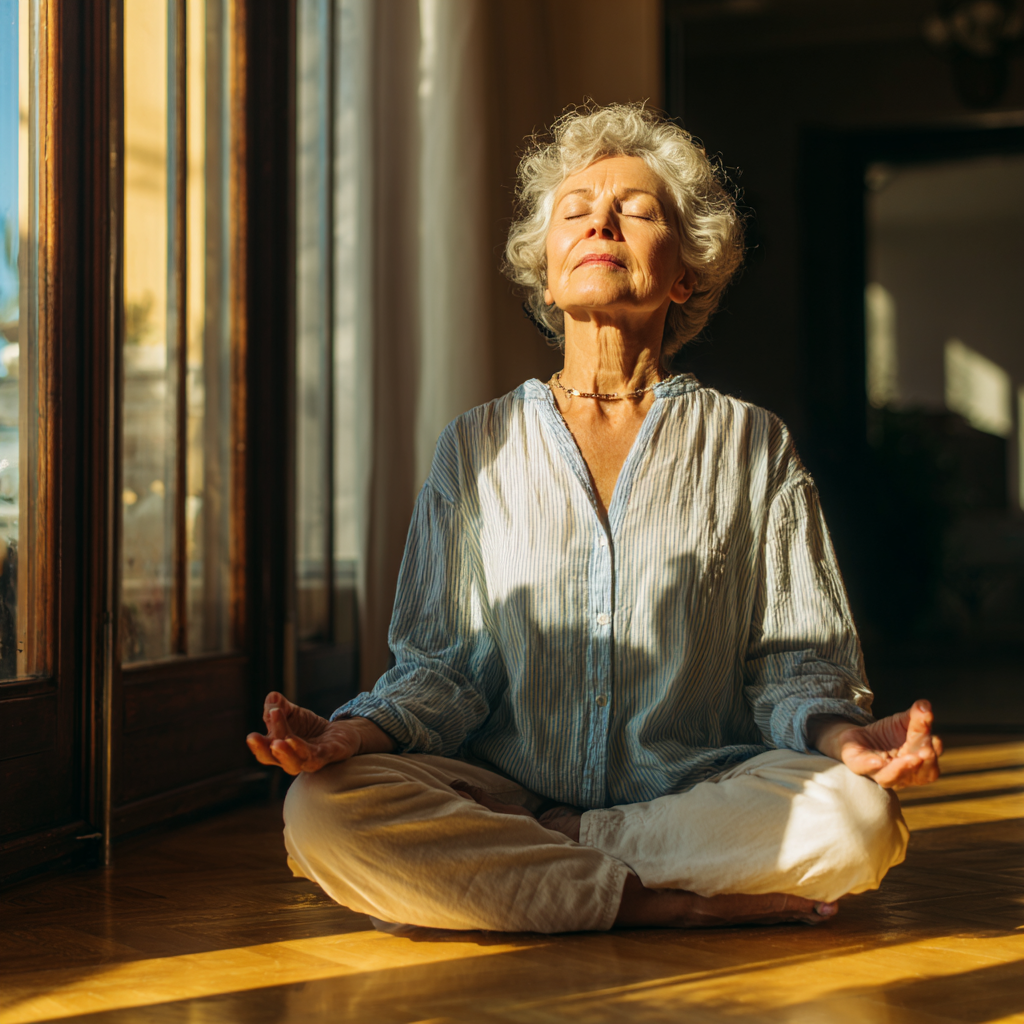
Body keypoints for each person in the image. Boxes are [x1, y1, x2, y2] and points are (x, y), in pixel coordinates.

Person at [247, 103, 941, 934]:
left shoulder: (751, 443)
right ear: (548, 275)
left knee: (857, 822)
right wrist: (350, 739)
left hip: (696, 791)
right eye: (575, 211)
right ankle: (661, 902)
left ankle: (548, 868)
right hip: (506, 789)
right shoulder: (475, 444)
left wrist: (847, 742)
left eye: (638, 211)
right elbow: (440, 668)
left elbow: (796, 663)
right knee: (321, 811)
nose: (600, 221)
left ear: (685, 274)